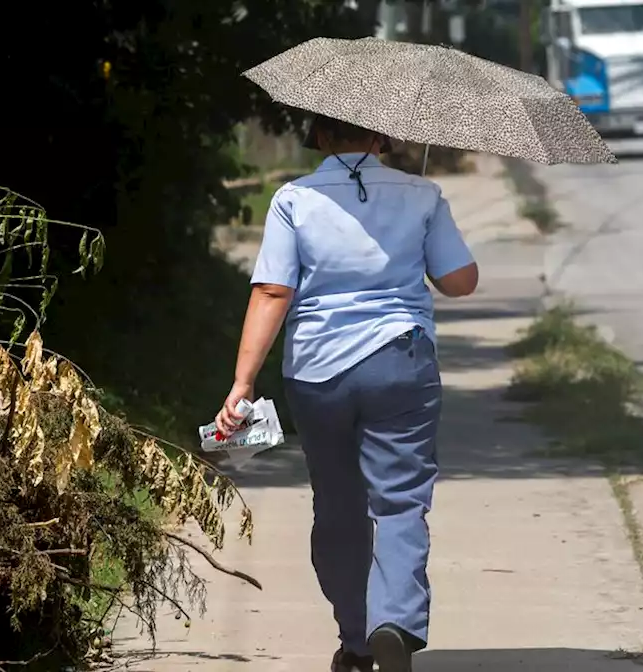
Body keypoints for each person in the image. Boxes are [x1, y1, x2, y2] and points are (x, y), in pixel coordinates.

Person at [215, 113, 479, 672]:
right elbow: (460, 281)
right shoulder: (422, 194)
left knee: (337, 504)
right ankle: (396, 621)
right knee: (400, 499)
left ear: (322, 137)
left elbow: (271, 291)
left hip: (317, 372)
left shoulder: (294, 199)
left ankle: (356, 642)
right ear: (381, 137)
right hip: (400, 363)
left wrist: (243, 383)